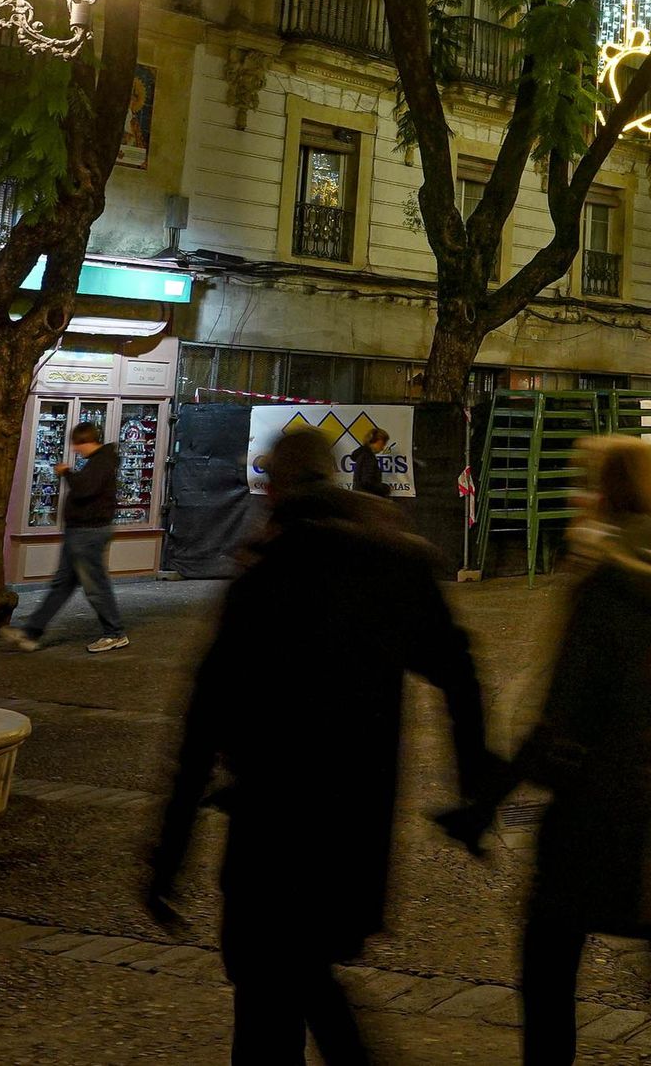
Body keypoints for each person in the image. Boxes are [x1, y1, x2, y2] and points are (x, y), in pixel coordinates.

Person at [148, 426, 491, 1065]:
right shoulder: (393, 564)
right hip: (354, 825)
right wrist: (473, 789)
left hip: (272, 827)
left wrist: (168, 855)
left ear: (273, 488)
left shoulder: (267, 575)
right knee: (303, 980)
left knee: (271, 999)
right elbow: (459, 673)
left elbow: (203, 723)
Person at [447, 435, 651, 1066]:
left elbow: (565, 714)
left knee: (550, 956)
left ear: (602, 491)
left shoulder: (608, 581)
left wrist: (490, 798)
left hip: (601, 805)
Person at [3, 422, 128, 654]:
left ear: (85, 441)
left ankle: (114, 633)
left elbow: (84, 489)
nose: (75, 449)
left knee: (94, 586)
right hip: (81, 532)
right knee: (63, 585)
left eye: (77, 444)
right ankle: (32, 632)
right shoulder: (100, 462)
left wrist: (67, 473)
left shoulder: (100, 462)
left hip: (87, 533)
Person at [351, 425, 391, 496]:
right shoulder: (369, 457)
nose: (383, 447)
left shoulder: (362, 455)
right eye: (383, 443)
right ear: (377, 441)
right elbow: (367, 482)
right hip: (367, 497)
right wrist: (384, 488)